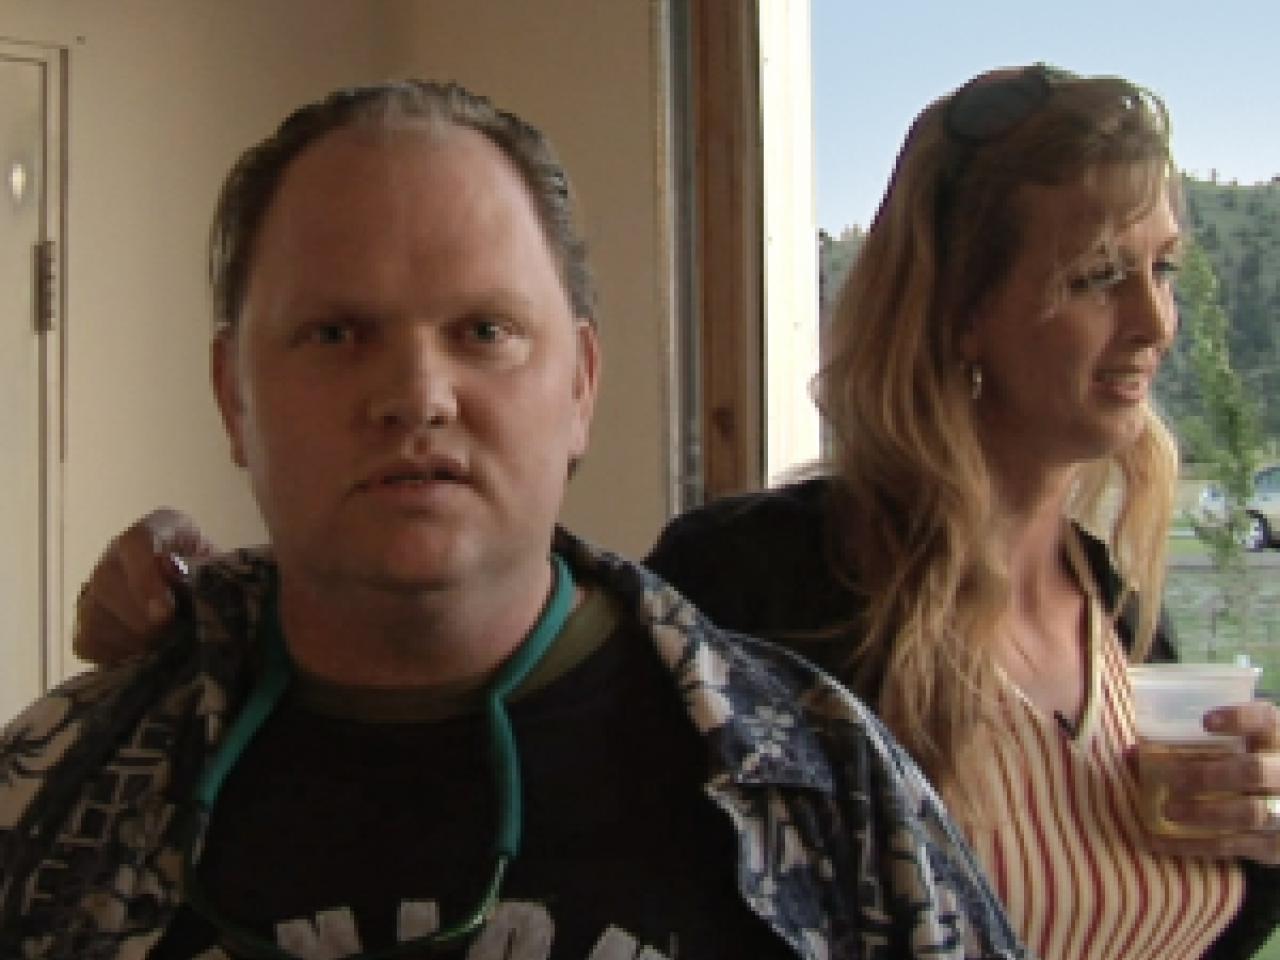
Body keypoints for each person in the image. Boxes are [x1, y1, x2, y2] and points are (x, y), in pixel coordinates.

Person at [62, 65, 1280, 959]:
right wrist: (226, 605)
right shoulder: (776, 591)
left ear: (578, 379)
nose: (1155, 321)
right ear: (959, 308)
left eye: (1163, 270)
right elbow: (469, 611)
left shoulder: (1111, 599)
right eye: (1091, 276)